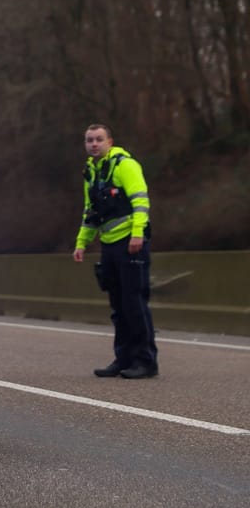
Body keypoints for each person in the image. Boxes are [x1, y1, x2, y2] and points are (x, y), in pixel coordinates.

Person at [72, 124, 159, 378]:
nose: (94, 144)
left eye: (99, 139)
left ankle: (146, 361)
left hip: (131, 243)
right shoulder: (92, 172)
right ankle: (123, 359)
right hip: (109, 245)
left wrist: (137, 234)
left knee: (135, 303)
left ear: (110, 141)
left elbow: (141, 201)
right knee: (117, 305)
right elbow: (91, 213)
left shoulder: (125, 165)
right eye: (89, 140)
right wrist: (81, 243)